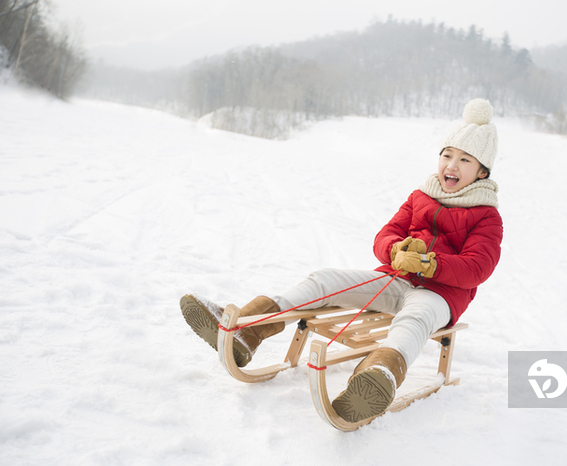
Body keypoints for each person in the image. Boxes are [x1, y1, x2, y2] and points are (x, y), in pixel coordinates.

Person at [180, 98, 503, 423]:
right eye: (447, 155)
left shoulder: (487, 215)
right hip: (395, 280)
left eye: (464, 159)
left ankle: (379, 377)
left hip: (440, 296)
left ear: (481, 171)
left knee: (414, 320)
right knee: (325, 280)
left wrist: (431, 266)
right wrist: (395, 251)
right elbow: (385, 235)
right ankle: (247, 331)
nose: (452, 165)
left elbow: (478, 267)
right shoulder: (421, 195)